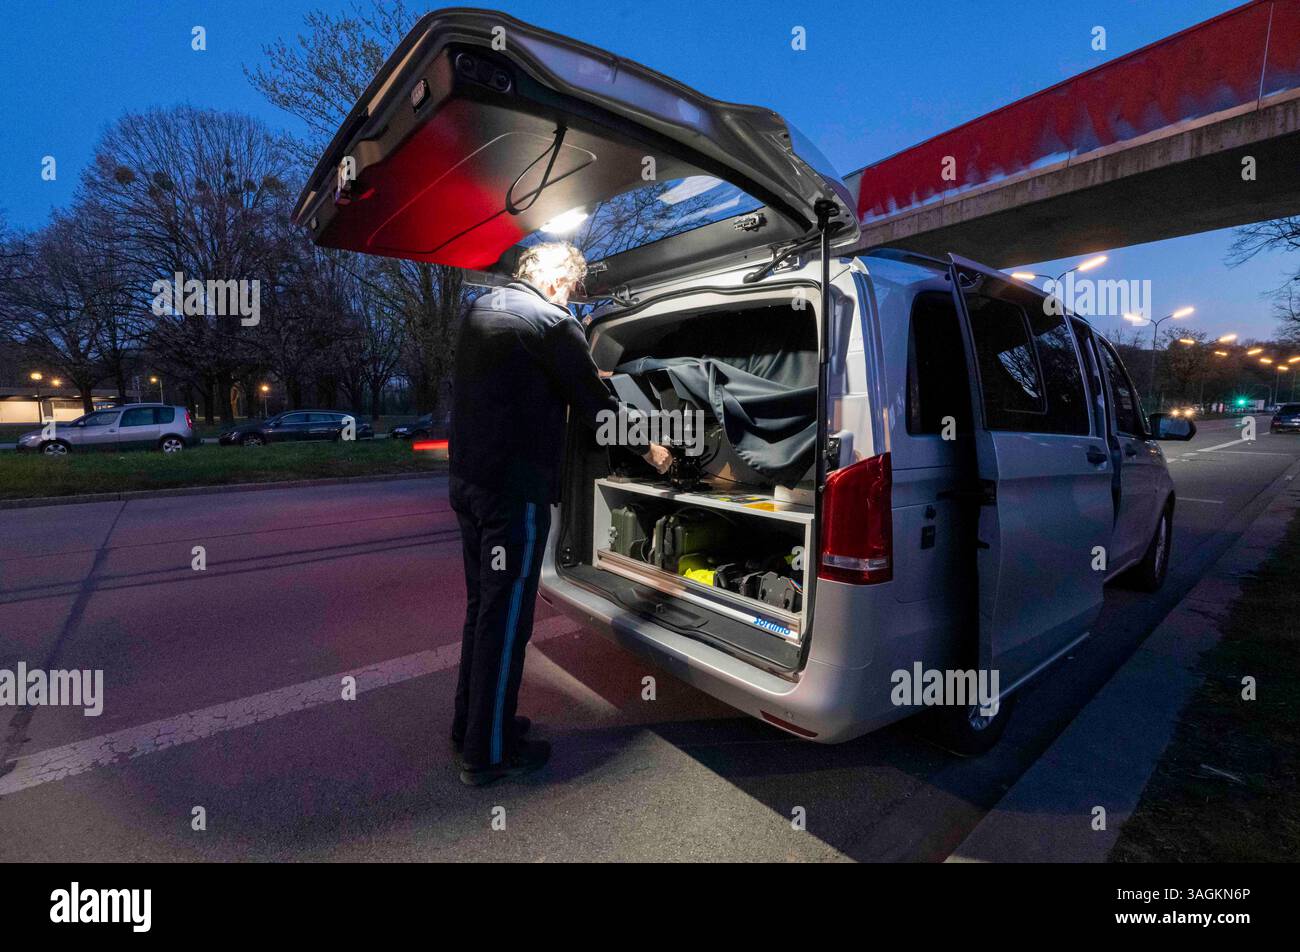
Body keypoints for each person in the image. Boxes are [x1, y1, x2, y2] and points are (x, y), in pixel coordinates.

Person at [448, 241, 671, 786]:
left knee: (483, 612)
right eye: (570, 288)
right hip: (513, 494)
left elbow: (517, 386)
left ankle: (473, 726)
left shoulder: (480, 310)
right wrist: (653, 451)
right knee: (507, 622)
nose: (569, 298)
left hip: (468, 484)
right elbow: (601, 412)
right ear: (556, 281)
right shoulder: (552, 323)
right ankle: (487, 754)